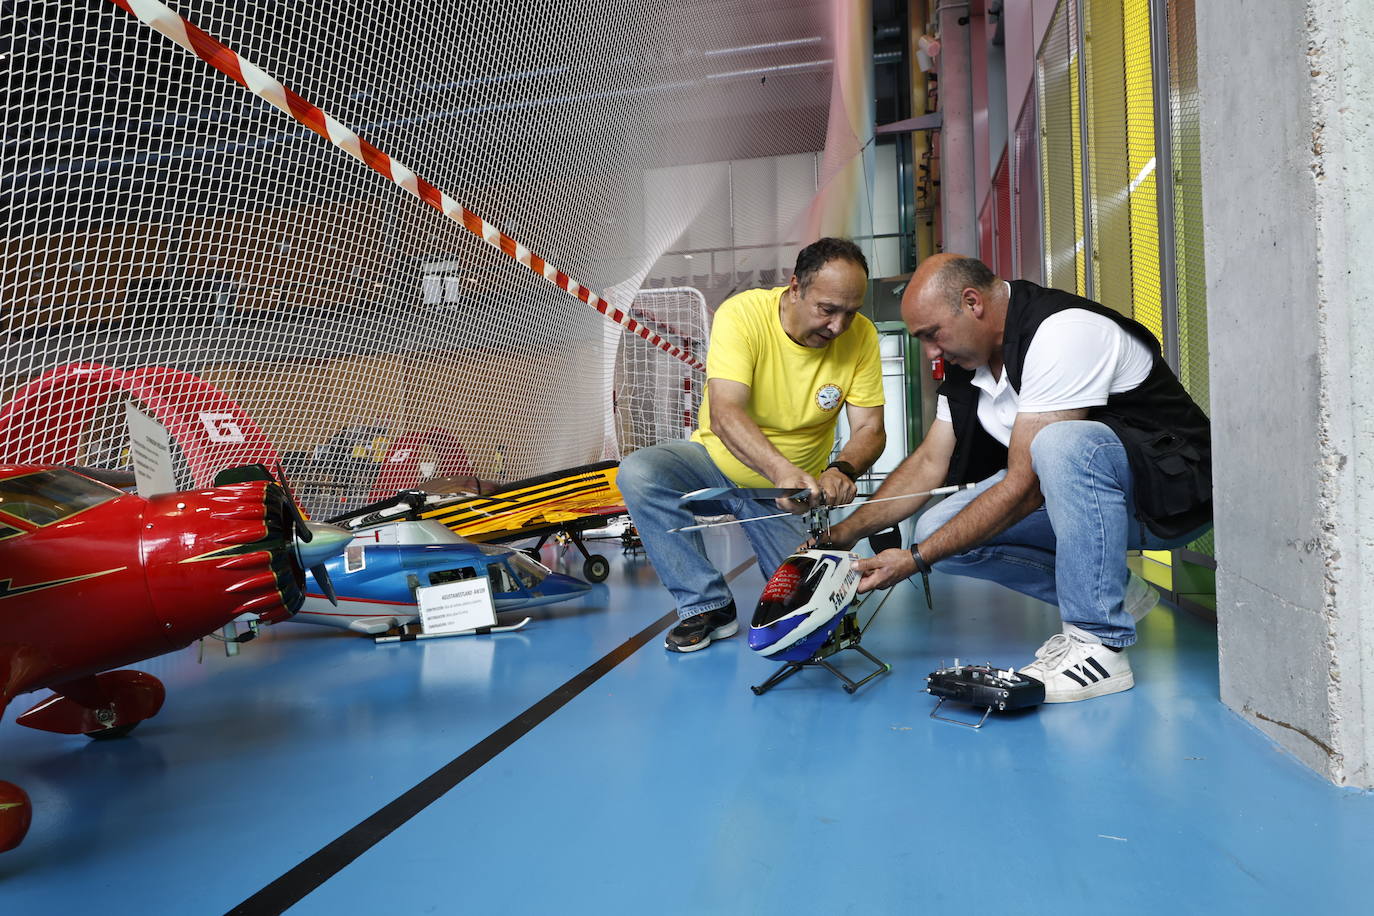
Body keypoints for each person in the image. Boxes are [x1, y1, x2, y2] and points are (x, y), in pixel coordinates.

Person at [823, 253, 1212, 702]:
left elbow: (1026, 485)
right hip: (1086, 506)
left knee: (1058, 445)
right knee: (935, 531)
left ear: (973, 303)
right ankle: (1116, 596)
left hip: (1169, 495)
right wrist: (843, 534)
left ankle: (1099, 645)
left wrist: (912, 560)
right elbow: (930, 461)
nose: (930, 350)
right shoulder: (970, 366)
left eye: (931, 334)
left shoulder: (1061, 332)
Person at [618, 237, 887, 652]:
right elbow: (726, 414)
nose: (838, 326)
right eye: (827, 310)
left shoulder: (862, 338)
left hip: (791, 496)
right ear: (795, 288)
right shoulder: (743, 314)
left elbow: (870, 427)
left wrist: (842, 469)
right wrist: (779, 470)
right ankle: (706, 605)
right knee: (639, 472)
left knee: (811, 622)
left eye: (850, 313)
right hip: (714, 465)